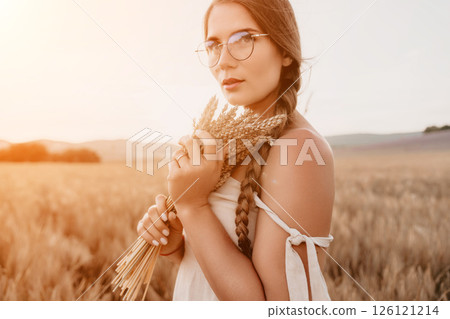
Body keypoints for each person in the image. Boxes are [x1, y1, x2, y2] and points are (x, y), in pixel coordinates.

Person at [136, 0, 335, 301]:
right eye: (213, 45)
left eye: (244, 40)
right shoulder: (235, 140)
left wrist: (193, 206)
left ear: (284, 51)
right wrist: (179, 246)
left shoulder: (299, 149)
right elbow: (212, 275)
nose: (223, 61)